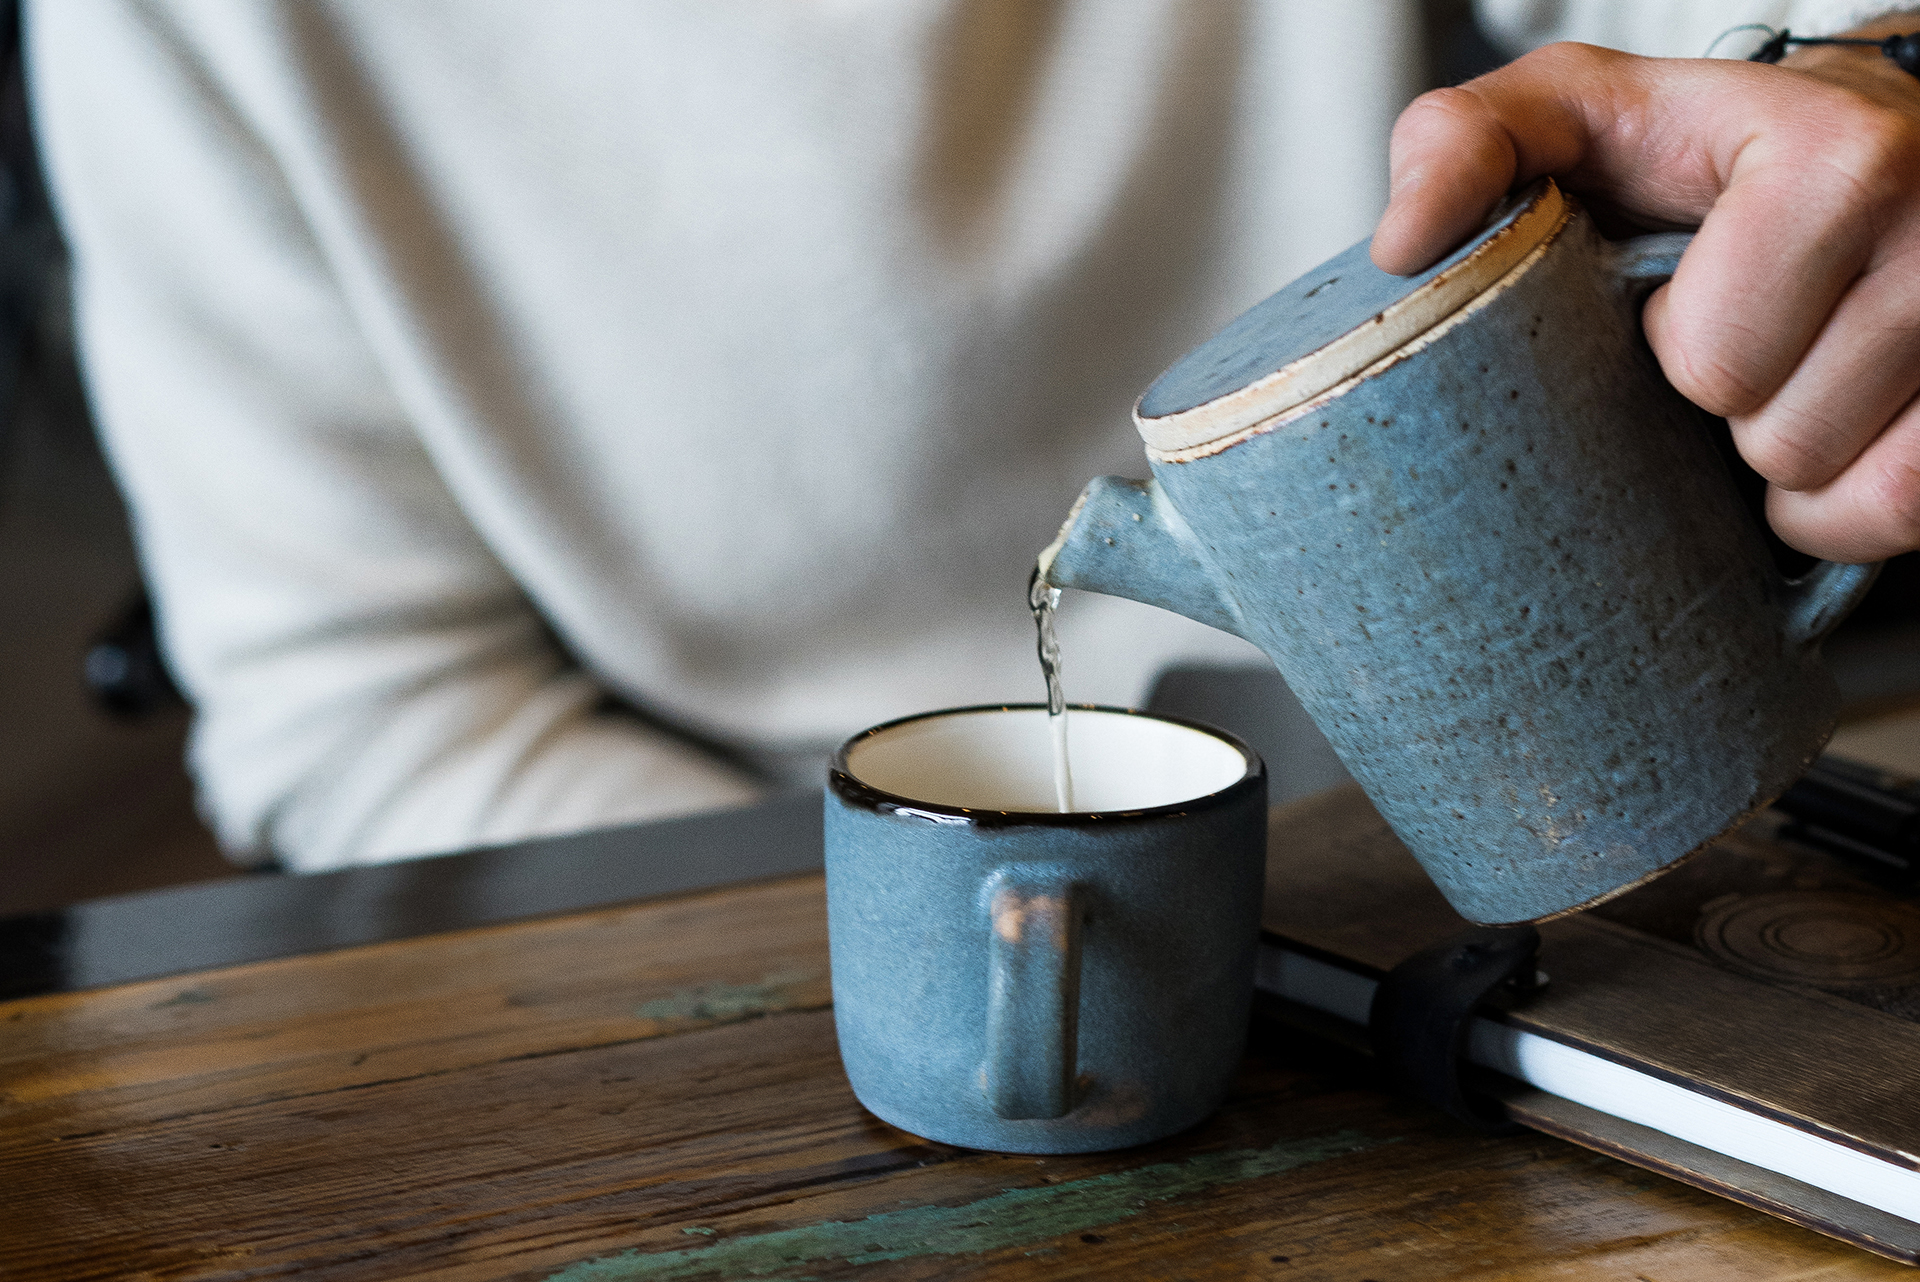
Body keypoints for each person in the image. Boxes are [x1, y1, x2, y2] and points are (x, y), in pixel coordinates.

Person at [26, 1, 1920, 872]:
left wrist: (1861, 77)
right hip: (750, 884)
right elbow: (365, 704)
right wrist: (905, 923)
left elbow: (1752, 46)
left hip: (1650, 807)